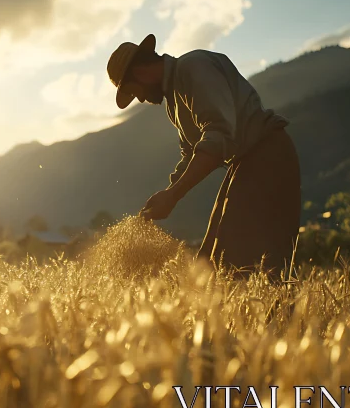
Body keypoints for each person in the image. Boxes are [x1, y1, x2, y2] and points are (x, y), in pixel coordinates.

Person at [106, 33, 301, 282]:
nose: (142, 99)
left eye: (135, 92)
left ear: (141, 73)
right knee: (211, 262)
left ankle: (287, 319)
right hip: (245, 164)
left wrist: (173, 196)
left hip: (267, 156)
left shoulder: (193, 68)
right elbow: (191, 154)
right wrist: (167, 194)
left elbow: (218, 135)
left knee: (245, 264)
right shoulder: (173, 102)